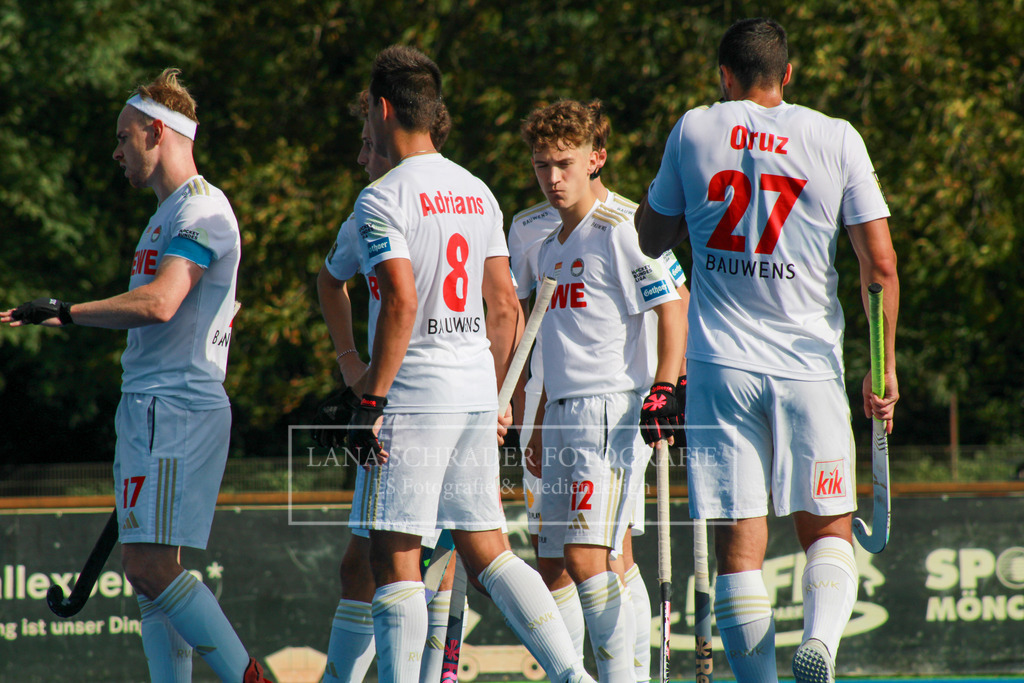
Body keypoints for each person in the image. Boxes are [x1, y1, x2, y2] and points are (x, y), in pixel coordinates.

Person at [636, 17, 899, 683]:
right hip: (809, 364)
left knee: (739, 547)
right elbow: (880, 266)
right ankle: (821, 644)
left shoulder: (695, 129)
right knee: (829, 528)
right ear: (788, 74)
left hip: (721, 368)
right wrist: (882, 365)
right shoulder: (836, 136)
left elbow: (651, 238)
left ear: (723, 76)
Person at [1, 69, 271, 683]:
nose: (116, 151)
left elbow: (161, 302)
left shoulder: (201, 208)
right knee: (151, 579)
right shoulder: (167, 213)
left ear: (157, 132)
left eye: (124, 137)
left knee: (149, 569)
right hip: (152, 406)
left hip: (174, 408)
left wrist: (67, 311)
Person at [345, 45, 593, 683]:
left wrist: (370, 399)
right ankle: (573, 674)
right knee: (489, 550)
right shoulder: (476, 190)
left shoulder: (381, 197)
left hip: (414, 396)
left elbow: (400, 302)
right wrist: (500, 396)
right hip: (476, 390)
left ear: (382, 109)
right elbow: (505, 306)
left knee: (395, 558)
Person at [508, 99, 689, 682]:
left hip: (610, 410)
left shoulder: (623, 228)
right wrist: (538, 419)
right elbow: (548, 341)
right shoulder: (548, 244)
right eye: (542, 165)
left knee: (590, 558)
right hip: (561, 412)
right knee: (574, 557)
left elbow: (674, 307)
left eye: (564, 163)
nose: (553, 178)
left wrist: (665, 387)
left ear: (596, 159)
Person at [316, 89, 460, 683]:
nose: (360, 157)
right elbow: (330, 281)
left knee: (424, 559)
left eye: (368, 145)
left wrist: (372, 393)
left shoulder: (420, 201)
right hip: (403, 401)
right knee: (367, 564)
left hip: (421, 401)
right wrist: (352, 365)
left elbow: (498, 304)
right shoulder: (370, 212)